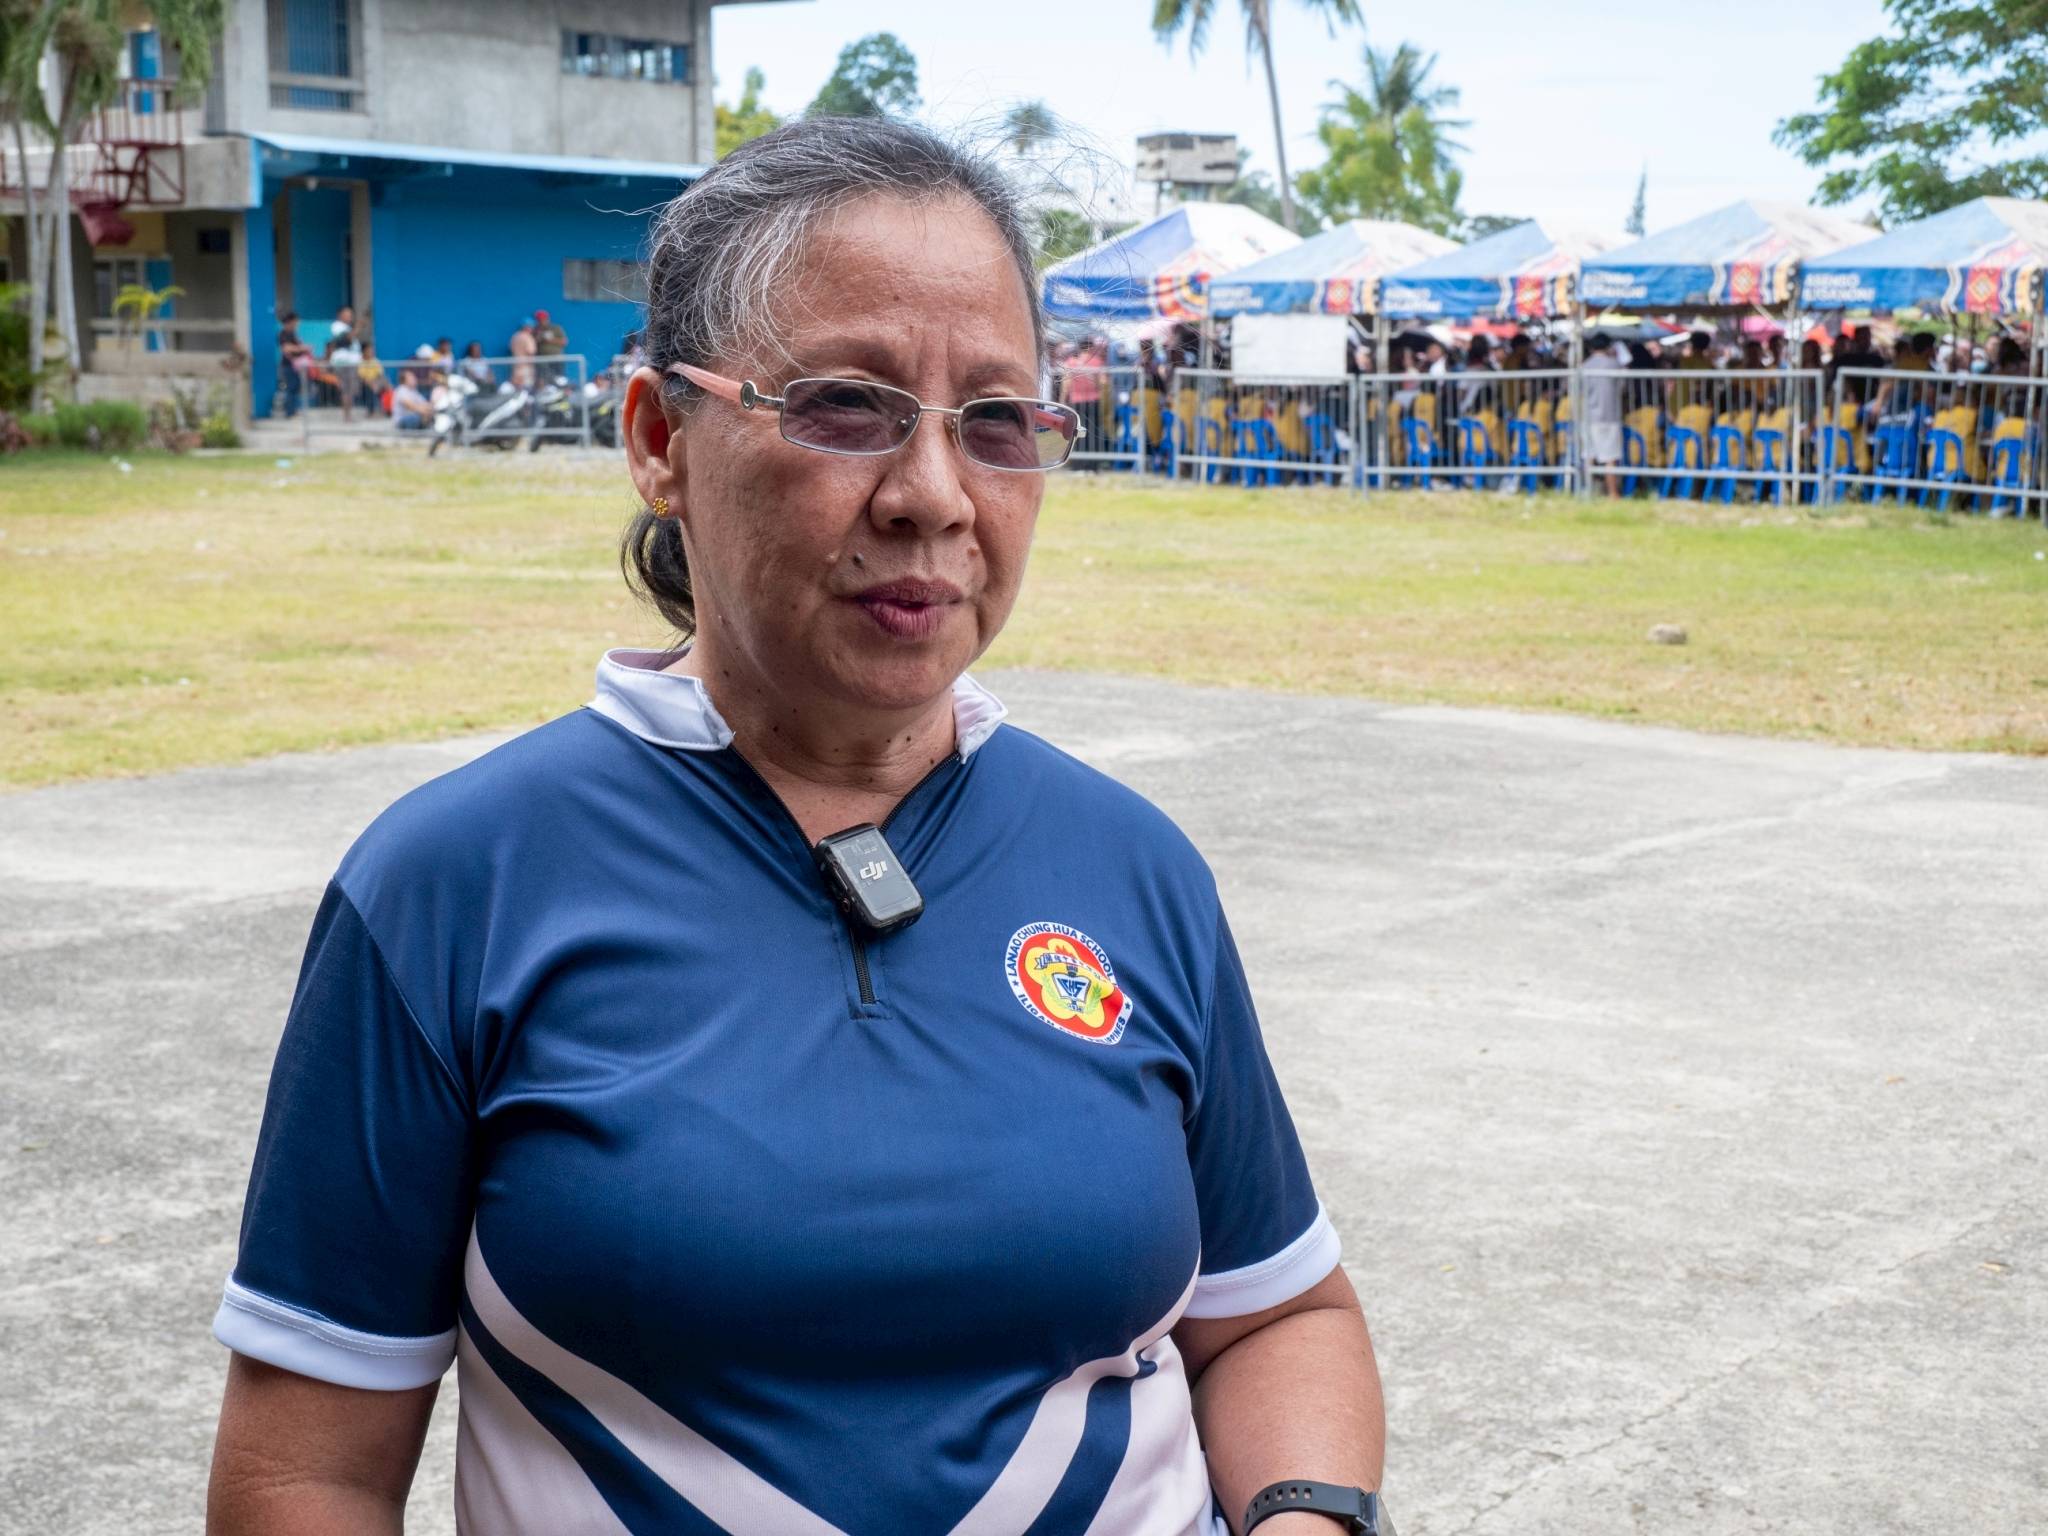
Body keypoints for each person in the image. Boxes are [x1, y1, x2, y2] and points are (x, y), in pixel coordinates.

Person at [205, 116, 1386, 1536]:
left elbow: (1275, 1314)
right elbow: (307, 1476)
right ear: (658, 439)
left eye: (1000, 422)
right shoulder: (455, 888)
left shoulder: (1133, 867)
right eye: (846, 405)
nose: (936, 497)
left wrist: (1310, 1519)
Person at [1582, 330, 1626, 497]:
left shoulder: (1584, 366)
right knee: (1610, 458)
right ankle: (1613, 493)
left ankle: (1587, 491)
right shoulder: (1613, 365)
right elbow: (1621, 387)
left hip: (1588, 417)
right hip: (1609, 416)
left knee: (1589, 456)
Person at [274, 310, 310, 419]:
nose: (297, 324)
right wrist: (301, 348)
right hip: (288, 365)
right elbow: (286, 348)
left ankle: (294, 410)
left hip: (296, 366)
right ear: (291, 321)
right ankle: (289, 412)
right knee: (291, 388)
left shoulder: (293, 334)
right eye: (296, 321)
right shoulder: (283, 334)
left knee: (295, 388)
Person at [508, 317, 537, 389]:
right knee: (526, 389)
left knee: (516, 389)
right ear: (527, 327)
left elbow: (511, 349)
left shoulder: (515, 336)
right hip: (526, 368)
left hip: (516, 366)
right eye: (531, 327)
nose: (532, 329)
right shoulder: (528, 337)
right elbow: (530, 353)